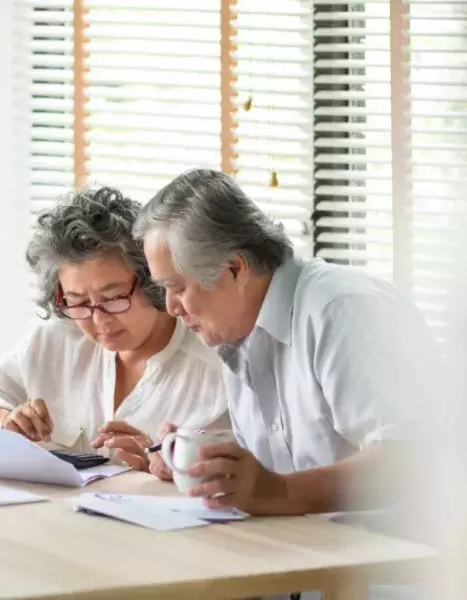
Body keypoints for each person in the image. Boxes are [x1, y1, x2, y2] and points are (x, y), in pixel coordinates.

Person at [133, 168, 439, 519]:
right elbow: (277, 470)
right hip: (298, 545)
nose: (170, 307)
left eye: (177, 287)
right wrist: (199, 462)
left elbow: (410, 460)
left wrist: (279, 492)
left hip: (387, 551)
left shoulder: (341, 310)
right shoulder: (238, 331)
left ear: (235, 269)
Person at [0, 186, 228, 469]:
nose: (99, 320)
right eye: (78, 302)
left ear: (152, 281)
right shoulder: (55, 343)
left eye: (113, 298)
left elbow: (230, 473)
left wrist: (164, 465)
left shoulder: (215, 370)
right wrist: (6, 423)